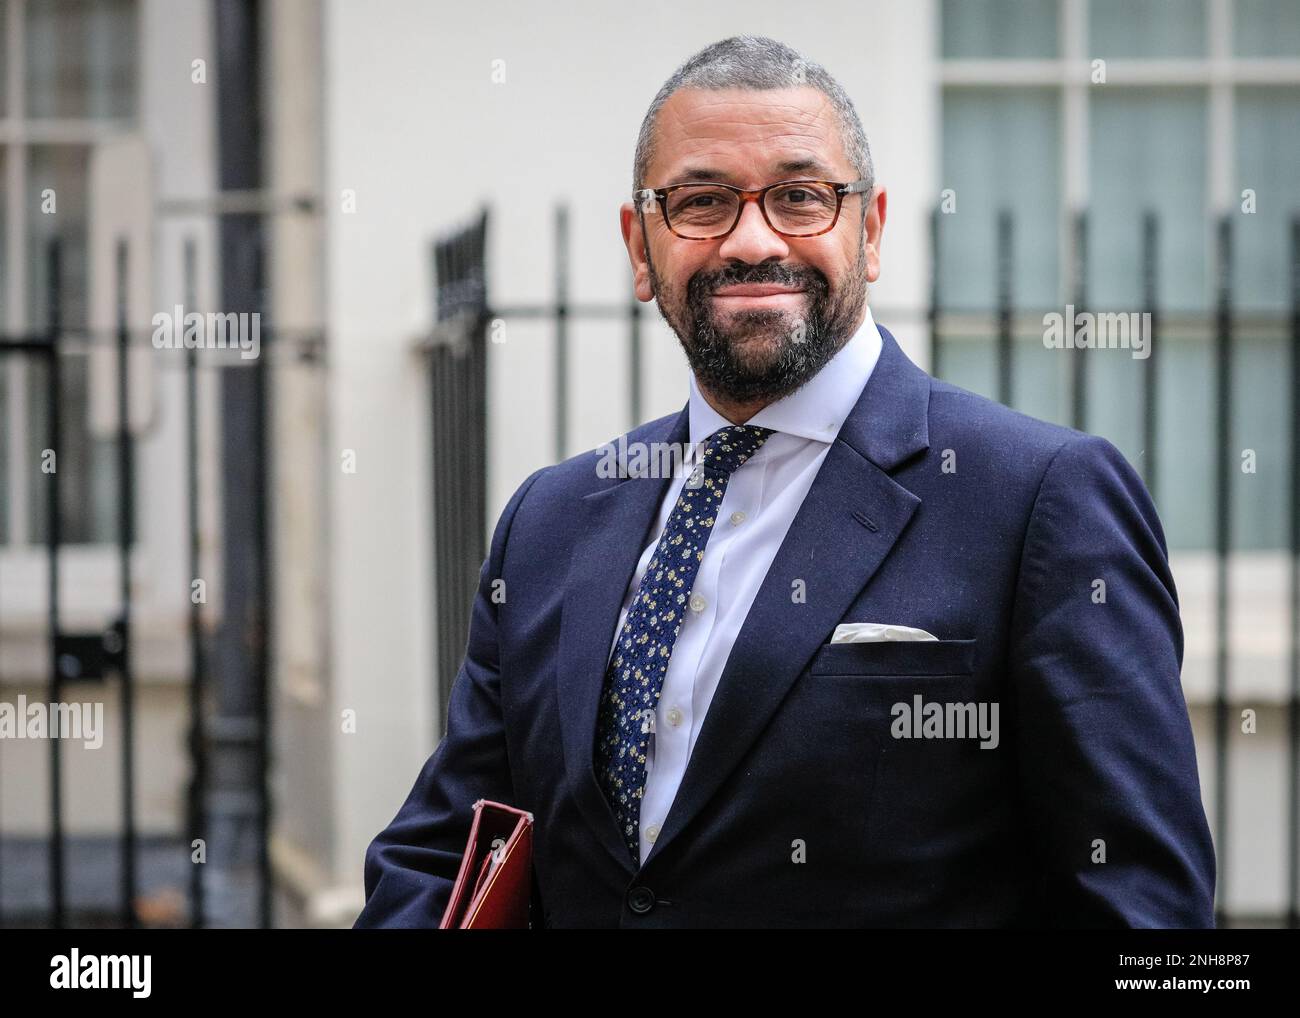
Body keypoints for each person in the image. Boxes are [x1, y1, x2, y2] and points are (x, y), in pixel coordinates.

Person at [354, 35, 1215, 928]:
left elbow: (1141, 908)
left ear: (870, 230)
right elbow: (442, 851)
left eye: (801, 197)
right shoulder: (551, 519)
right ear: (640, 247)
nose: (752, 240)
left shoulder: (1044, 499)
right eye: (702, 202)